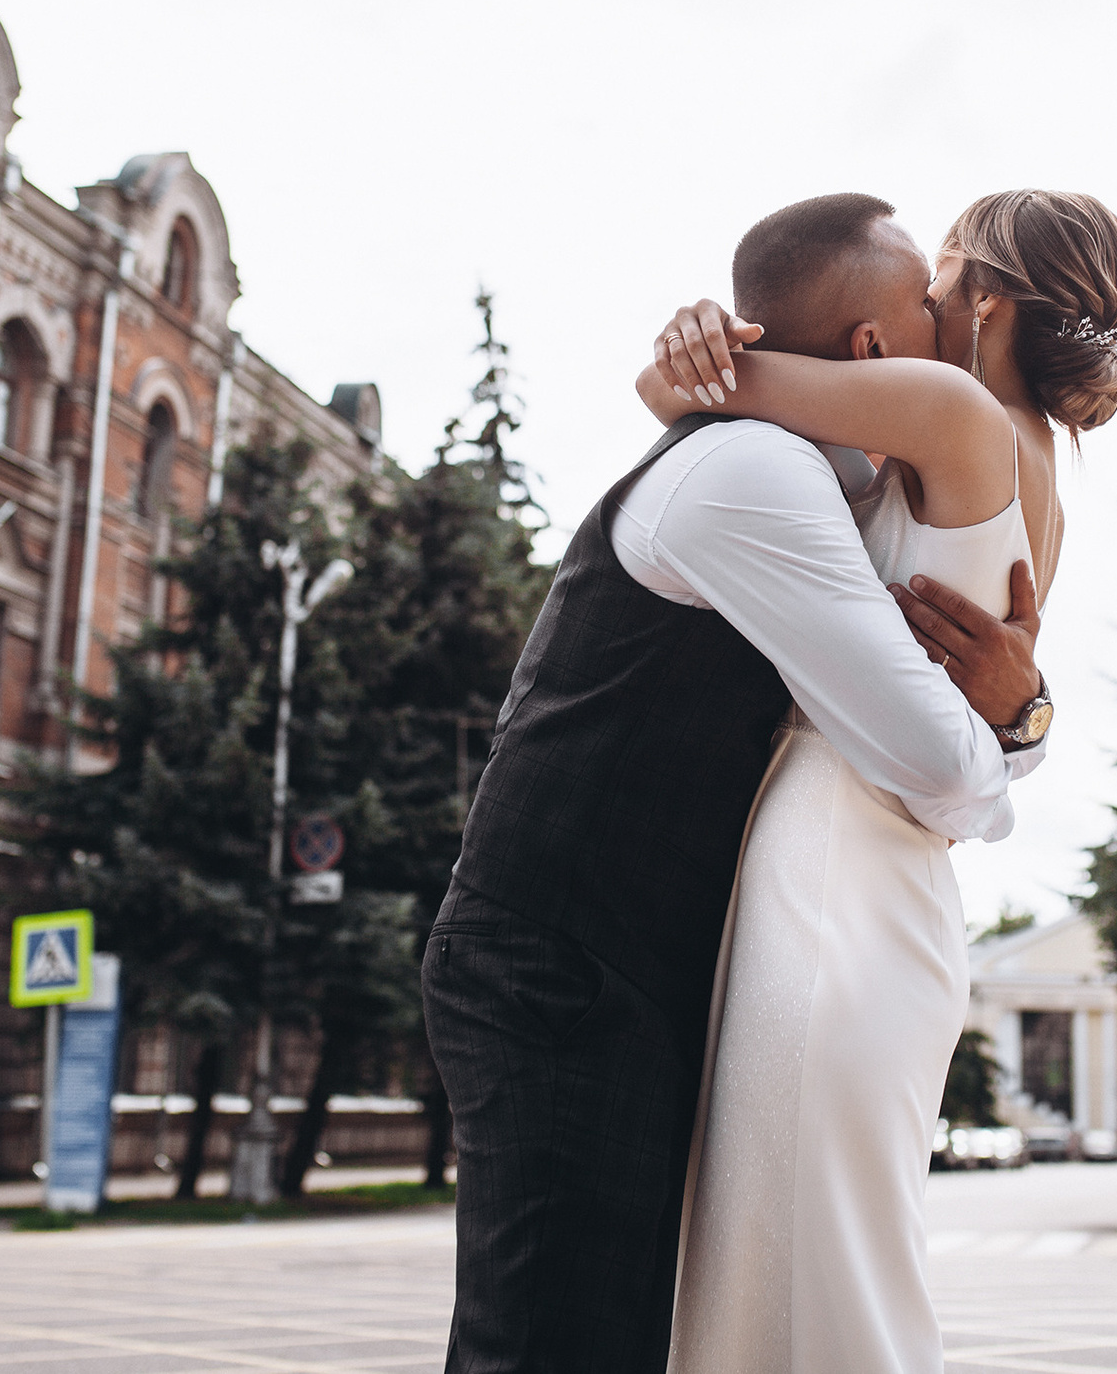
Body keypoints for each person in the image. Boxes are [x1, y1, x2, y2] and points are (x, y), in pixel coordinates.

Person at [421, 192, 1052, 1374]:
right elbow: (933, 765)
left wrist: (1019, 709)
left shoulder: (829, 483)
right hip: (556, 962)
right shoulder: (753, 478)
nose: (943, 327)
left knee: (608, 1341)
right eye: (924, 303)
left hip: (628, 962)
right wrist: (1014, 728)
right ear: (872, 349)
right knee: (545, 1348)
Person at [640, 188, 1117, 1374]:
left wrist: (697, 341)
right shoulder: (1036, 476)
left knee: (786, 1267)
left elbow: (698, 395)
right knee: (833, 1267)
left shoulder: (943, 406)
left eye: (938, 280)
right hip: (905, 881)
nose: (912, 303)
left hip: (825, 855)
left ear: (989, 304)